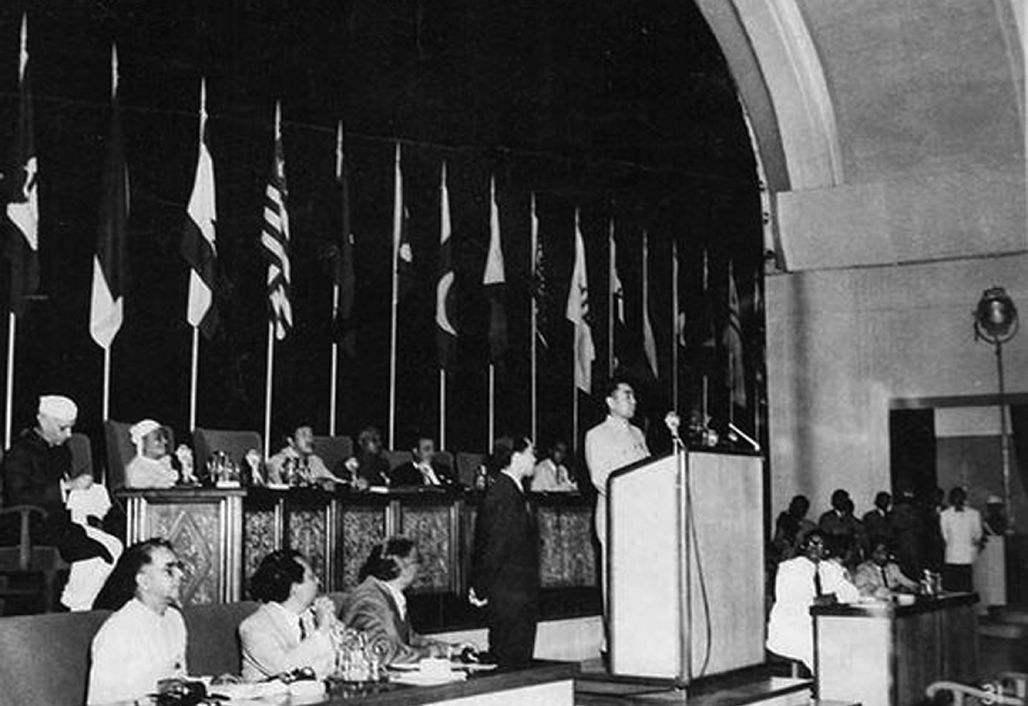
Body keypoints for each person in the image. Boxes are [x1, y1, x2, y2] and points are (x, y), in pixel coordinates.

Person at [1, 395, 111, 565]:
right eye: (63, 428)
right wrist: (65, 487)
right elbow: (18, 497)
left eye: (71, 428)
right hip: (27, 527)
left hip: (58, 525)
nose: (69, 434)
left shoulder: (60, 452)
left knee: (112, 546)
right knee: (99, 553)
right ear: (43, 421)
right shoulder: (20, 453)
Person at [87, 538, 188, 705]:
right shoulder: (117, 631)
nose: (180, 575)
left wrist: (213, 683)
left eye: (179, 567)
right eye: (169, 570)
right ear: (144, 581)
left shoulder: (174, 619)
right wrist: (154, 691)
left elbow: (179, 680)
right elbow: (98, 703)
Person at [469, 436, 540, 667]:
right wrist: (481, 588)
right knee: (511, 664)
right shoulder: (503, 494)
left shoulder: (510, 490)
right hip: (510, 597)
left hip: (516, 595)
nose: (535, 459)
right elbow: (494, 547)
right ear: (516, 457)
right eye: (531, 453)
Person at [340, 537, 466, 664]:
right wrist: (431, 652)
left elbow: (409, 639)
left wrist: (450, 648)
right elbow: (381, 653)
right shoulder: (369, 599)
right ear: (401, 564)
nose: (419, 568)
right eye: (417, 561)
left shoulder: (387, 594)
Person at [584, 380, 649, 606]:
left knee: (639, 576)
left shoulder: (638, 434)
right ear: (611, 402)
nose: (634, 401)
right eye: (627, 395)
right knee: (616, 578)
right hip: (615, 514)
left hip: (640, 516)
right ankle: (614, 628)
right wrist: (632, 494)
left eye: (634, 396)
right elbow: (600, 478)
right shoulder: (597, 435)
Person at [766, 530, 859, 672]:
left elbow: (852, 594)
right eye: (811, 543)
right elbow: (792, 600)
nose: (815, 547)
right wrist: (816, 601)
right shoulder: (789, 568)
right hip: (793, 625)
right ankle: (826, 682)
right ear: (803, 546)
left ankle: (838, 680)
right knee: (819, 648)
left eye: (820, 544)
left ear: (826, 550)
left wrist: (834, 597)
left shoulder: (829, 569)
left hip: (822, 625)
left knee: (849, 642)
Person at [239, 549, 338, 681]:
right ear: (294, 588)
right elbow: (285, 669)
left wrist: (332, 627)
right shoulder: (254, 627)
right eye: (311, 577)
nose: (318, 581)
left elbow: (345, 660)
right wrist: (321, 632)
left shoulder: (312, 616)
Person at [60, 467, 123, 611]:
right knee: (97, 548)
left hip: (69, 524)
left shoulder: (59, 457)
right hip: (37, 524)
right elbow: (20, 492)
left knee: (114, 545)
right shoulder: (22, 456)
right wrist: (66, 486)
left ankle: (81, 603)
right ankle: (77, 604)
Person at [267, 426, 344, 486]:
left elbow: (335, 481)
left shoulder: (315, 461)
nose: (309, 440)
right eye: (304, 435)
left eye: (310, 435)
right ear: (291, 441)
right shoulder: (276, 462)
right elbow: (282, 489)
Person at [939, 486, 983, 592]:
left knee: (967, 586)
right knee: (952, 586)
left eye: (960, 496)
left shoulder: (974, 514)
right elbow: (944, 535)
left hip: (968, 556)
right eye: (955, 496)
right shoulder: (944, 515)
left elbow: (978, 533)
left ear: (964, 498)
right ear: (951, 498)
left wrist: (971, 544)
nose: (957, 499)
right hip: (952, 556)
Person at [852, 541, 918, 598]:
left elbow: (909, 583)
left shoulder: (892, 567)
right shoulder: (864, 569)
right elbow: (860, 589)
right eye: (879, 552)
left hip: (894, 603)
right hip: (875, 604)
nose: (883, 556)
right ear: (872, 554)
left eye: (885, 552)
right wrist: (876, 590)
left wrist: (910, 588)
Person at [124, 419, 178, 489]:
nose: (165, 441)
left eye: (165, 437)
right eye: (158, 438)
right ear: (143, 443)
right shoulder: (137, 470)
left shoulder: (165, 463)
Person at [389, 436, 456, 488]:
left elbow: (453, 492)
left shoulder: (444, 470)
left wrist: (433, 477)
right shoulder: (401, 473)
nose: (432, 453)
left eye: (433, 449)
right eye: (427, 449)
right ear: (415, 451)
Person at [771, 495, 816, 562]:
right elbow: (777, 542)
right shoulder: (784, 521)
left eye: (801, 507)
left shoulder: (810, 526)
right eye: (795, 506)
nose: (797, 509)